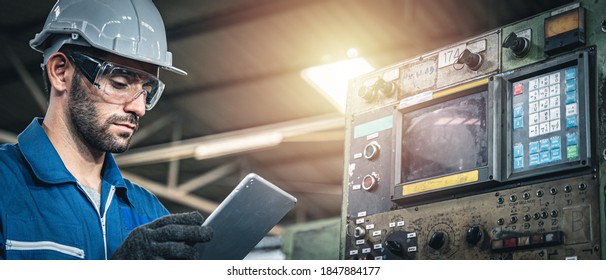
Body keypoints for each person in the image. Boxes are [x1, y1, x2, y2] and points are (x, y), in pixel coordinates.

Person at [0, 0, 213, 260]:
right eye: (120, 82)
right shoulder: (5, 184)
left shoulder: (149, 211)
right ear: (60, 71)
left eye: (147, 91)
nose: (140, 108)